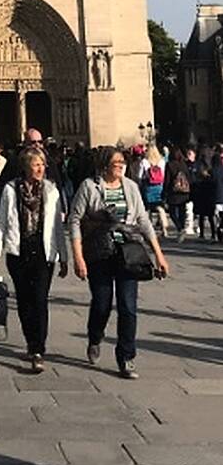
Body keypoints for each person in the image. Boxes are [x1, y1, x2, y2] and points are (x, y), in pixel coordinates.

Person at [70, 147, 170, 380]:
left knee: (128, 306)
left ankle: (126, 357)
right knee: (102, 304)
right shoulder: (89, 187)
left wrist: (159, 254)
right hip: (99, 253)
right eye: (115, 162)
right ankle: (95, 337)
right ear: (104, 164)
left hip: (128, 253)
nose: (120, 166)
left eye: (122, 162)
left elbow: (143, 221)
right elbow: (75, 220)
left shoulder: (131, 187)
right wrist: (78, 256)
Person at [0, 147, 68, 374]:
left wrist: (64, 256)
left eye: (42, 164)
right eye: (36, 164)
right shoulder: (11, 190)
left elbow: (57, 227)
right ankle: (31, 340)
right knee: (24, 300)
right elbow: (2, 224)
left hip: (44, 251)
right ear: (26, 167)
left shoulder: (51, 190)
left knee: (40, 299)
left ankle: (38, 347)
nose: (41, 168)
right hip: (18, 251)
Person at [139, 145, 170, 238]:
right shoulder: (161, 161)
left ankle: (150, 229)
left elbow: (139, 176)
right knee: (160, 208)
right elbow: (164, 175)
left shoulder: (144, 162)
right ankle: (164, 228)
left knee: (147, 208)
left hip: (148, 186)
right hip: (159, 186)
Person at [163, 147, 192, 242]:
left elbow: (167, 180)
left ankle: (180, 228)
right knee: (182, 211)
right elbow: (188, 177)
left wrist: (165, 192)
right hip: (184, 192)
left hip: (173, 192)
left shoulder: (170, 165)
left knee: (172, 213)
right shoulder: (183, 165)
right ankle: (182, 228)